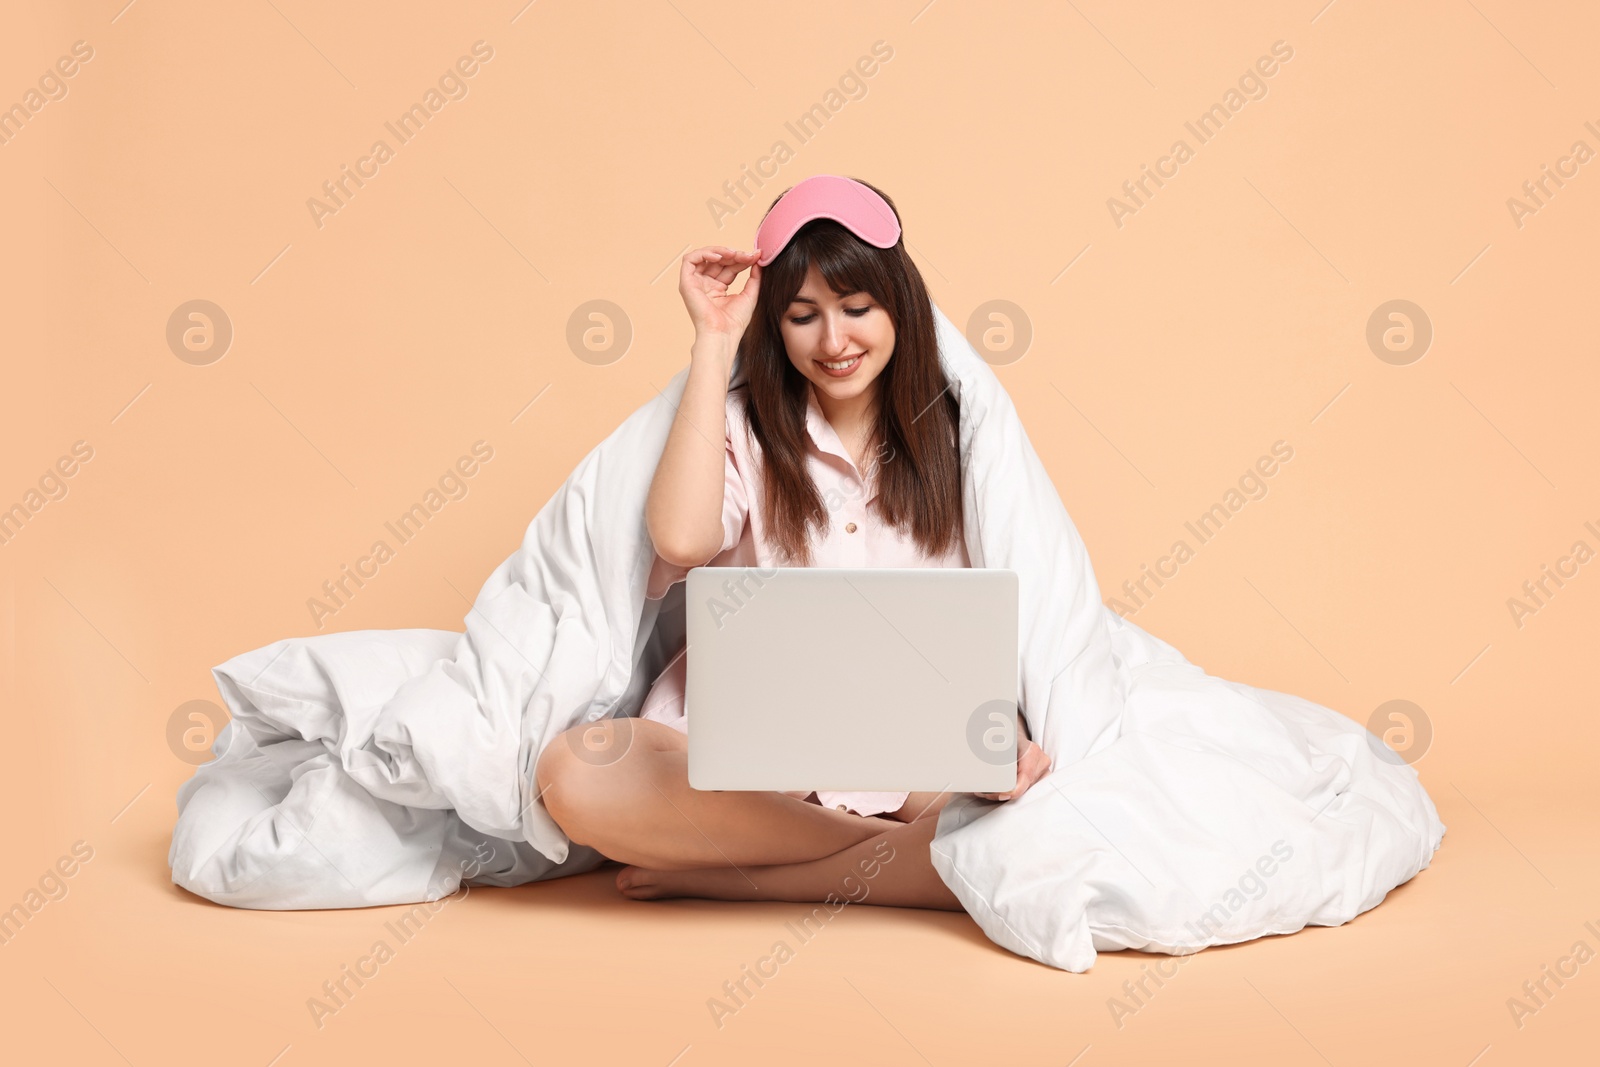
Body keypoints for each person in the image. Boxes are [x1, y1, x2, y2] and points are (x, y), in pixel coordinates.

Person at [535, 176, 1051, 909]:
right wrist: (714, 341)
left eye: (856, 308)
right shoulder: (745, 428)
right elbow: (680, 537)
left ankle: (745, 876)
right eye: (804, 316)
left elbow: (1009, 613)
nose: (834, 341)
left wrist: (1009, 747)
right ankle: (880, 865)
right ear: (775, 325)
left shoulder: (963, 436)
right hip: (741, 763)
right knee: (575, 772)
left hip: (913, 762)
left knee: (1038, 827)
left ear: (898, 303)